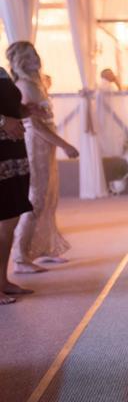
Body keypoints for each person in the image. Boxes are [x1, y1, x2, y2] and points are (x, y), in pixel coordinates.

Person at [7, 42, 79, 274]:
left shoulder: (37, 83)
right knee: (36, 199)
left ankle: (44, 247)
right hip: (36, 144)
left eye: (35, 54)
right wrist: (65, 144)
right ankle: (20, 257)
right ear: (18, 62)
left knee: (49, 196)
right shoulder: (23, 85)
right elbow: (35, 126)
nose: (35, 59)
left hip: (46, 146)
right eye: (28, 57)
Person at [0, 65, 36, 304]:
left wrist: (24, 111)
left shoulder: (1, 71)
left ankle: (2, 280)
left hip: (13, 150)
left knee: (9, 218)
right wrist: (3, 121)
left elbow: (9, 105)